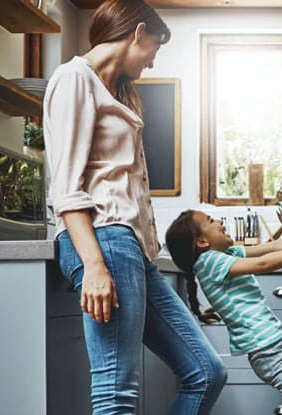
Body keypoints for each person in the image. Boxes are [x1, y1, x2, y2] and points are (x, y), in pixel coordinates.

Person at [42, 1, 226, 413]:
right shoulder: (74, 79)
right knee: (116, 388)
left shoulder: (113, 90)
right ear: (137, 31)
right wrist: (93, 266)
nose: (154, 59)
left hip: (134, 249)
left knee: (206, 372)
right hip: (103, 240)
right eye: (154, 47)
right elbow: (67, 188)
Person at [165, 210, 282, 415]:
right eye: (211, 221)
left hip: (272, 350)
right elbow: (262, 263)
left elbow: (274, 246)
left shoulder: (225, 255)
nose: (220, 221)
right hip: (268, 351)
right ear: (202, 241)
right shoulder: (209, 261)